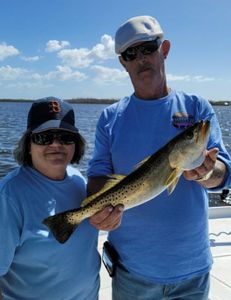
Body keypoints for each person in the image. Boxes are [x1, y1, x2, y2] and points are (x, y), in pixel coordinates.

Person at [87, 16, 231, 300]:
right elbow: (98, 174)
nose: (140, 59)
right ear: (122, 62)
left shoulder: (197, 107)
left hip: (193, 271)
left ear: (164, 49)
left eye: (148, 48)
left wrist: (207, 171)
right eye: (130, 53)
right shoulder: (110, 117)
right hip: (132, 271)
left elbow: (225, 173)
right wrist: (97, 211)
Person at [0, 97, 100, 300]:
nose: (56, 144)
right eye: (44, 137)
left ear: (76, 144)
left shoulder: (79, 180)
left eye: (65, 137)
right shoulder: (9, 196)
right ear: (28, 144)